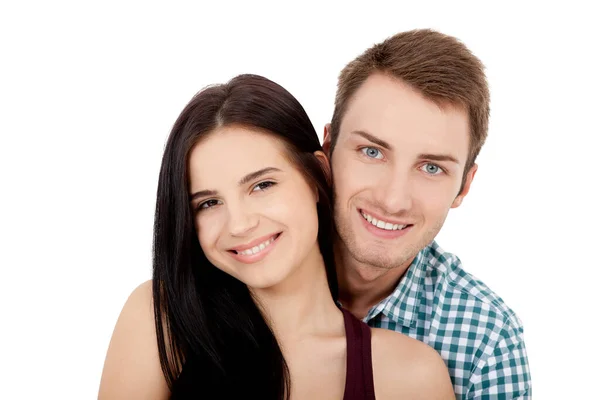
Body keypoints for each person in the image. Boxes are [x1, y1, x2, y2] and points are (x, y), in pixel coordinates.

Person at [98, 74, 454, 399]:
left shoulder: (410, 375)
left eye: (262, 185)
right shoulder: (160, 320)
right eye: (208, 203)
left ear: (318, 174)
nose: (238, 224)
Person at [323, 29, 532, 398]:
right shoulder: (250, 267)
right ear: (327, 150)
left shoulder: (488, 340)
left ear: (464, 187)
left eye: (431, 168)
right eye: (372, 152)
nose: (393, 200)